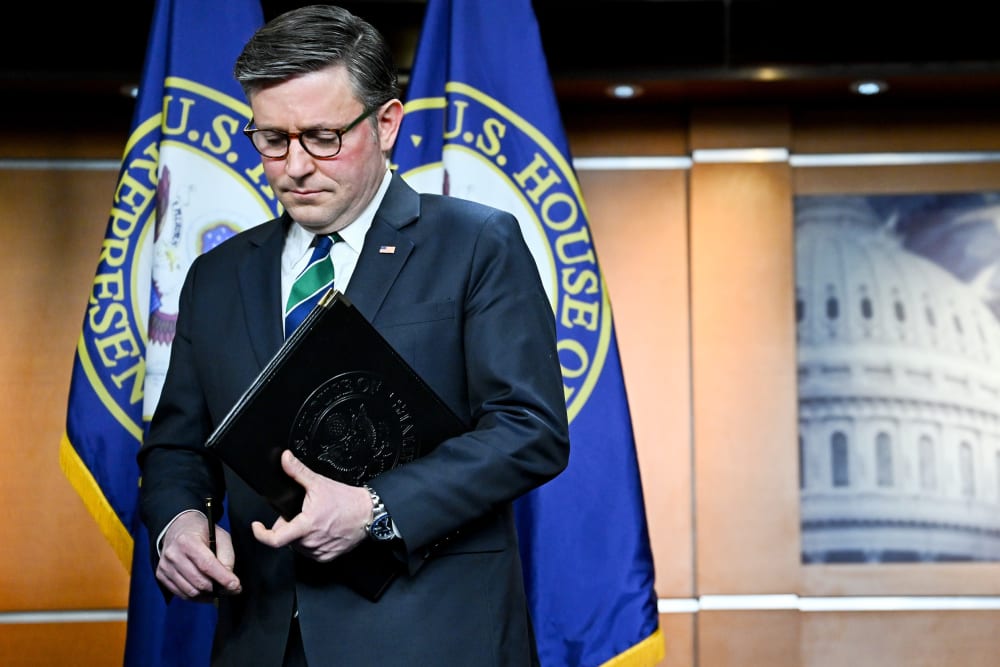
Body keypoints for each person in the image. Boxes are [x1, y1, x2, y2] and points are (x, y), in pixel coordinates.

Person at [137, 4, 570, 666]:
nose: (296, 165)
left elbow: (530, 430)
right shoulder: (214, 275)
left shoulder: (477, 244)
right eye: (272, 139)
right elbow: (176, 446)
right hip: (262, 640)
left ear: (387, 124)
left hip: (434, 637)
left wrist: (375, 506)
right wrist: (180, 524)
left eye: (322, 136)